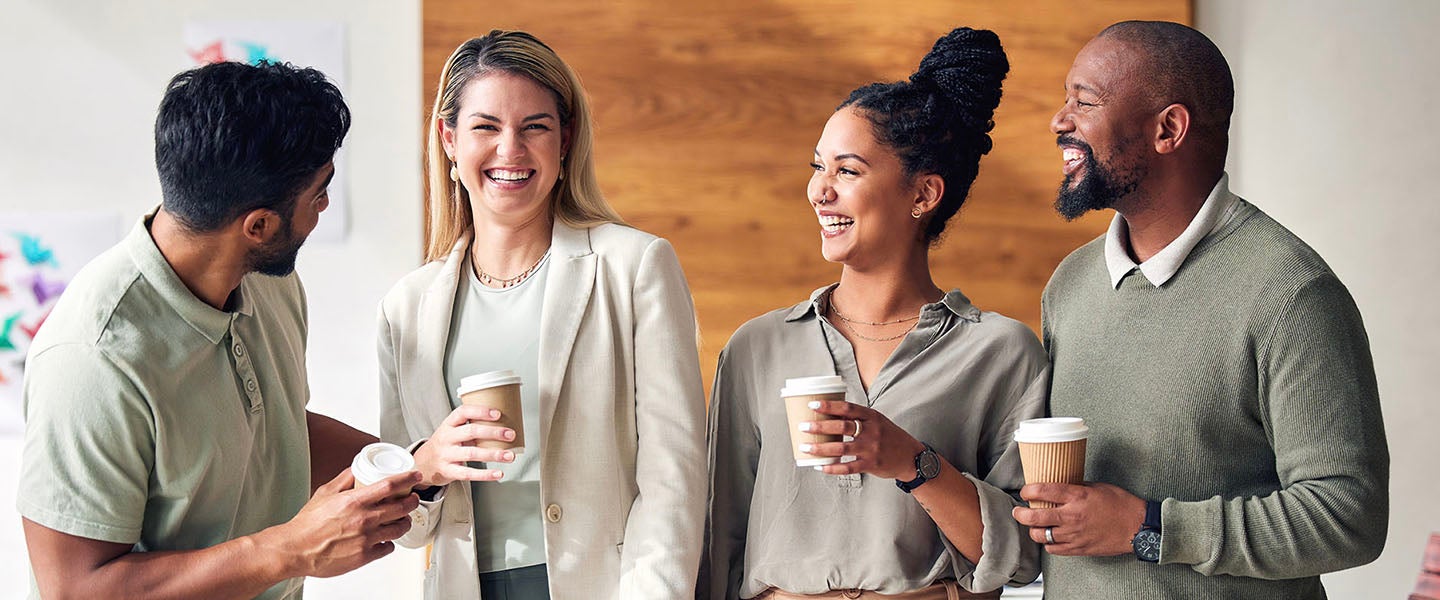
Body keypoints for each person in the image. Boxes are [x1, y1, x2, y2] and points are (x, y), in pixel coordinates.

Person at [1012, 20, 1389, 599]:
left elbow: (1348, 519)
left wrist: (1150, 528)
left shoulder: (1290, 292)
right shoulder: (1070, 283)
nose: (1060, 120)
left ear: (1169, 128)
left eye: (1084, 102)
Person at [17, 61, 420, 599]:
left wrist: (417, 466)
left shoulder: (267, 281)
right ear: (259, 226)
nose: (324, 205)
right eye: (319, 193)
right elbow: (74, 589)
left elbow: (274, 432)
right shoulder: (93, 358)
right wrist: (289, 549)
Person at [703, 28, 1047, 600]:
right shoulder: (756, 347)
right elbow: (719, 539)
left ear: (923, 195)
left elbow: (1021, 555)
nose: (819, 190)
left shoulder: (1000, 351)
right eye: (817, 167)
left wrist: (913, 461)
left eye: (848, 170)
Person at [377, 30, 707, 600]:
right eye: (486, 127)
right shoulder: (406, 307)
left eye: (535, 127)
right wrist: (426, 467)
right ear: (449, 139)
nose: (511, 150)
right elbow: (406, 530)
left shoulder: (633, 266)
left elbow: (673, 477)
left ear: (565, 140)